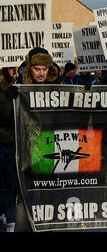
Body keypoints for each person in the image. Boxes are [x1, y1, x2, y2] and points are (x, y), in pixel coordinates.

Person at [5, 47, 61, 232]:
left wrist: (81, 93)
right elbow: (8, 120)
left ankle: (47, 226)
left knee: (47, 191)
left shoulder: (58, 85)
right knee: (24, 191)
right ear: (30, 69)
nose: (41, 73)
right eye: (37, 69)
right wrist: (9, 100)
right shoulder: (19, 85)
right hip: (24, 145)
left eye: (45, 69)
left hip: (46, 144)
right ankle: (23, 228)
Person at [0, 68, 17, 232]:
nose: (14, 70)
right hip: (6, 141)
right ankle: (10, 218)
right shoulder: (2, 87)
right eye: (11, 68)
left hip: (26, 141)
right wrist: (7, 99)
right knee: (9, 183)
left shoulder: (27, 84)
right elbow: (4, 117)